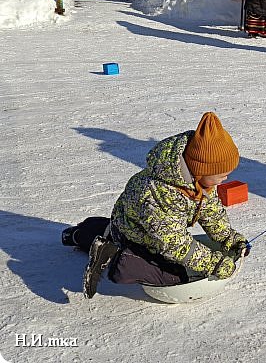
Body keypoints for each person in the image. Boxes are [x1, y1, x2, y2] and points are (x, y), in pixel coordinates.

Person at [61, 112, 249, 298]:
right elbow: (174, 244)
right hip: (139, 240)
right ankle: (119, 259)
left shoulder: (196, 181)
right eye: (221, 174)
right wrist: (213, 264)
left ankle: (83, 236)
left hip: (131, 227)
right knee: (177, 276)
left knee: (113, 231)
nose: (226, 178)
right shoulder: (161, 195)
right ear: (201, 170)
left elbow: (211, 212)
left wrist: (229, 238)